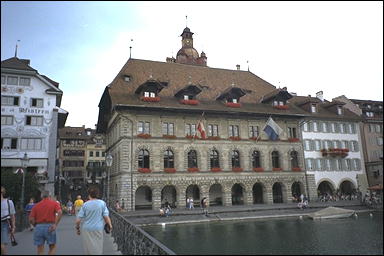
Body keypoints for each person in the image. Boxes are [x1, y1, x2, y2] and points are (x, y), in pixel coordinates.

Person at [75, 187, 112, 255]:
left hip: (87, 229)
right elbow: (106, 217)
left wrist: (77, 228)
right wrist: (110, 225)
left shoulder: (85, 205)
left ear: (89, 195)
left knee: (88, 248)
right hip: (98, 228)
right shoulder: (102, 203)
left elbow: (78, 220)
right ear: (97, 194)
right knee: (98, 247)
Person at [29, 190, 62, 255]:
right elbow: (60, 212)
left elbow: (31, 219)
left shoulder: (36, 206)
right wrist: (55, 224)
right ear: (49, 196)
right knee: (52, 247)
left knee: (40, 249)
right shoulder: (54, 203)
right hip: (50, 226)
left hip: (38, 227)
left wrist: (35, 225)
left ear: (41, 196)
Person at [1, 186, 16, 255]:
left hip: (5, 223)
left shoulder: (9, 202)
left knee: (2, 245)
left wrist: (13, 227)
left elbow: (12, 215)